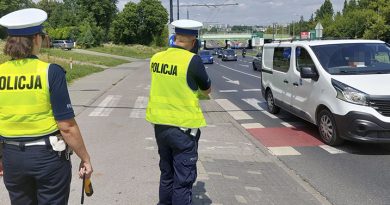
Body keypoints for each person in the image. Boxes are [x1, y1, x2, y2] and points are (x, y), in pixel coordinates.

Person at [0, 8, 93, 204]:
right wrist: (85, 158)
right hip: (47, 158)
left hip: (11, 157)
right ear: (35, 39)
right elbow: (66, 126)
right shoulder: (51, 72)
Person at [146, 19, 211, 205]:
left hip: (160, 127)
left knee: (167, 174)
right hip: (183, 130)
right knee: (183, 181)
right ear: (193, 41)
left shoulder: (156, 58)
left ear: (175, 38)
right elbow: (206, 89)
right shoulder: (193, 60)